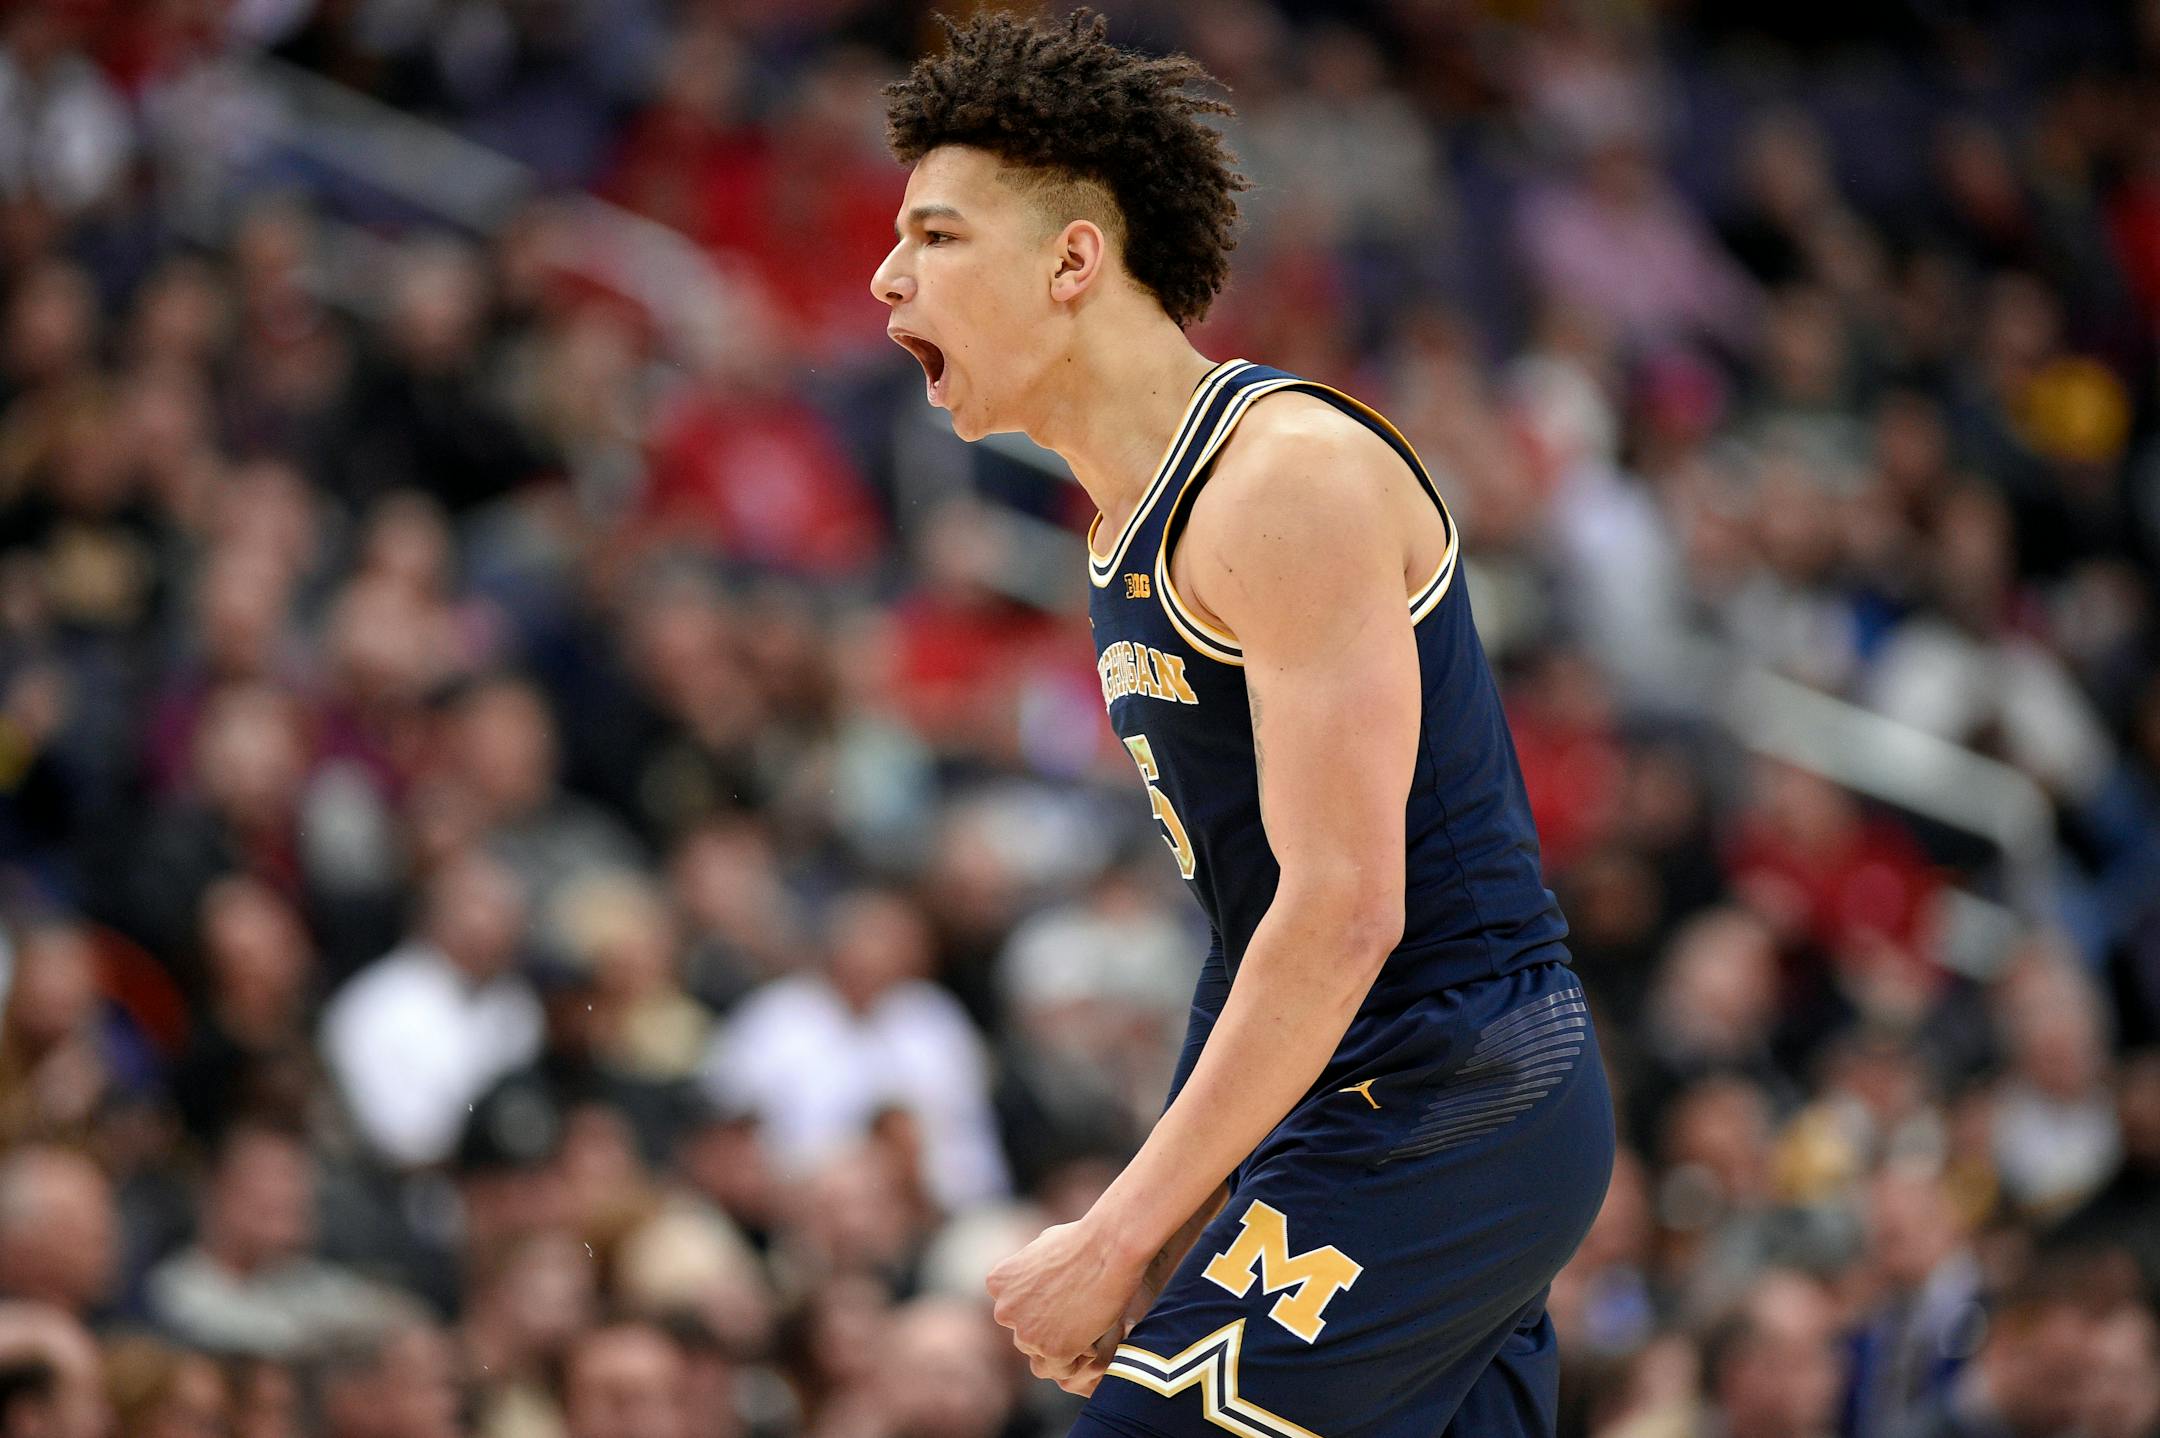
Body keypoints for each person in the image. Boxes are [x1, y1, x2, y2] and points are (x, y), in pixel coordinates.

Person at [870, 12, 1615, 1438]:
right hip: (1361, 1110)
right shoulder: (1122, 541)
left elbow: (1343, 912)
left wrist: (1115, 1231)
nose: (885, 275)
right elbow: (1253, 923)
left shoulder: (1283, 477)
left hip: (1456, 1088)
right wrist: (1164, 1216)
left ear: (1074, 260)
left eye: (937, 235)